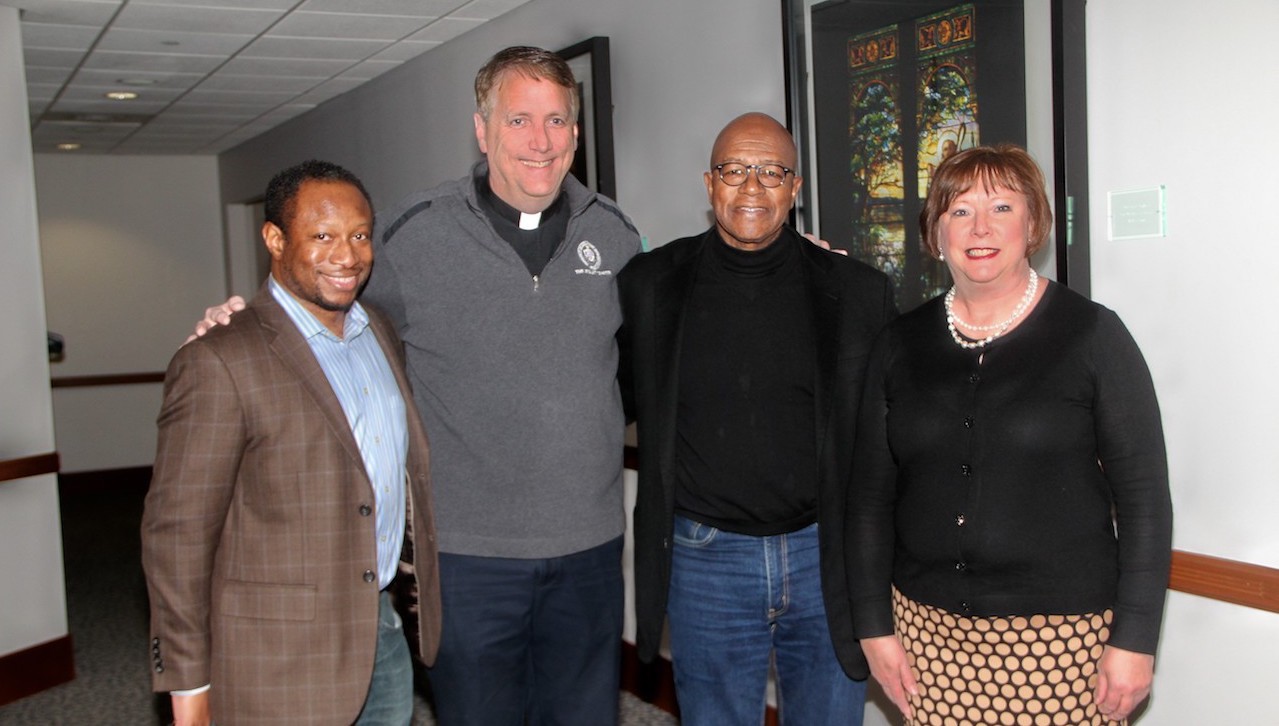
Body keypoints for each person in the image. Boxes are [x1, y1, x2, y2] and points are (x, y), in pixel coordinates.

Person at [190, 47, 641, 725]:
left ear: (576, 133)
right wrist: (240, 322)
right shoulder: (413, 233)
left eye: (556, 121)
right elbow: (323, 309)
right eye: (518, 120)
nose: (539, 142)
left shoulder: (615, 235)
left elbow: (647, 356)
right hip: (464, 557)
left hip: (589, 549)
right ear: (482, 130)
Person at [847, 144, 1173, 725]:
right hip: (927, 636)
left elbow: (1145, 501)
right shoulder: (899, 344)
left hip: (1063, 643)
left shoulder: (1094, 336)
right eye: (959, 210)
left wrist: (1136, 641)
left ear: (1034, 223)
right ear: (936, 230)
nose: (980, 227)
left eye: (1001, 207)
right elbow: (871, 496)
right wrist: (874, 625)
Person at [617, 112, 897, 725]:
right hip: (705, 558)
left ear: (795, 189)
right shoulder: (650, 285)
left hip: (824, 556)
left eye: (771, 172)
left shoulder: (857, 293)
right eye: (734, 170)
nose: (751, 188)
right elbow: (608, 399)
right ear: (708, 183)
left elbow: (892, 431)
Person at [141, 160, 441, 726]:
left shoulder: (377, 331)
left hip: (380, 632)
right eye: (322, 236)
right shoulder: (218, 360)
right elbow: (176, 537)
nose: (347, 255)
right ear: (275, 240)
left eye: (358, 235)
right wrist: (188, 688)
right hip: (276, 660)